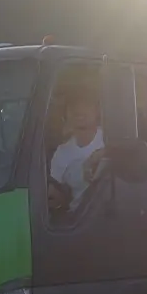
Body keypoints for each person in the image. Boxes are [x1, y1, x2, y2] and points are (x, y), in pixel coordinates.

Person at [48, 83, 106, 213]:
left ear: (96, 110)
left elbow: (124, 154)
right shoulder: (61, 153)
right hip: (78, 220)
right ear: (66, 113)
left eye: (86, 104)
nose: (79, 110)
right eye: (73, 106)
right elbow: (54, 193)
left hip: (109, 214)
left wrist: (97, 157)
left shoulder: (109, 138)